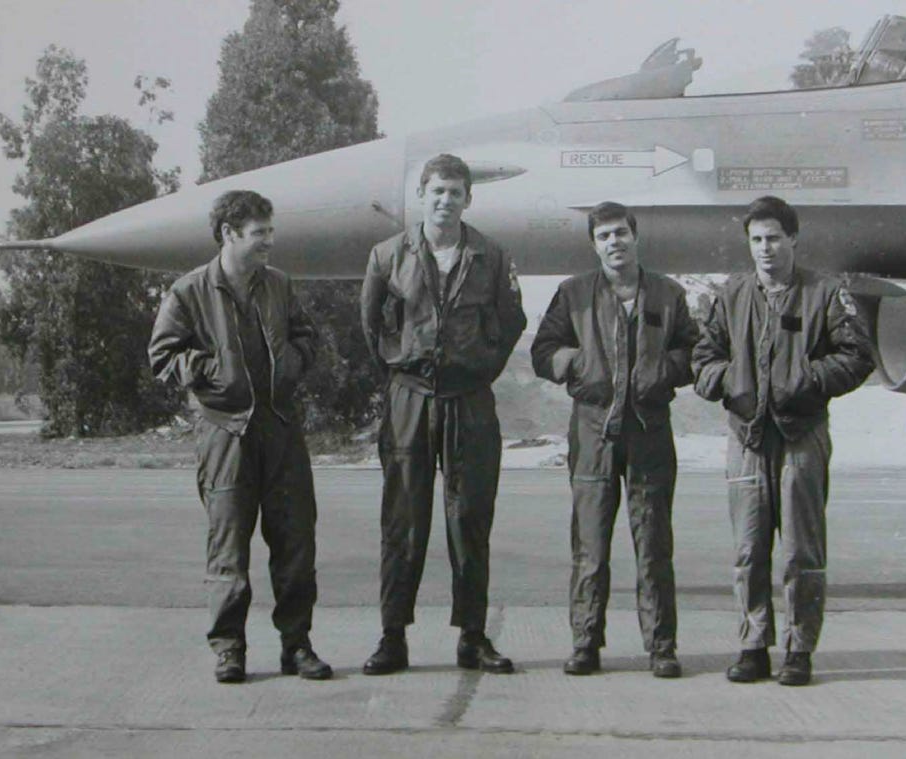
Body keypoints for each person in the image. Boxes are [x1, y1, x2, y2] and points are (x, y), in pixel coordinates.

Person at [148, 190, 331, 684]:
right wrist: (214, 370)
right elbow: (162, 356)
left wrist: (292, 365)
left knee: (296, 546)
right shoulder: (188, 292)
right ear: (229, 234)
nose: (269, 242)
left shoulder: (280, 285)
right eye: (260, 233)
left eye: (271, 232)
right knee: (228, 551)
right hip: (224, 434)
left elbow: (306, 337)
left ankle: (297, 646)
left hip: (281, 430)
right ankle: (229, 650)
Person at [692, 195, 874, 686]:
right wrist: (730, 382)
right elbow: (702, 358)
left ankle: (799, 648)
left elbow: (857, 355)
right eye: (756, 240)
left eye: (774, 237)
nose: (766, 248)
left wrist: (806, 380)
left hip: (802, 434)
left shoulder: (825, 292)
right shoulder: (730, 295)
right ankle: (753, 644)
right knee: (749, 548)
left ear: (793, 238)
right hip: (747, 436)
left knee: (800, 550)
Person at [359, 153, 526, 675]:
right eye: (437, 191)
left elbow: (511, 321)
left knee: (470, 519)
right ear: (422, 196)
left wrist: (478, 369)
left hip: (469, 402)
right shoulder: (388, 256)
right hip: (409, 399)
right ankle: (392, 637)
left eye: (455, 192)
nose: (446, 200)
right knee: (403, 521)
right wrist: (400, 369)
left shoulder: (492, 256)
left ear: (468, 198)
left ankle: (472, 637)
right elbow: (371, 325)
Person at [531, 201, 699, 678]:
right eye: (604, 236)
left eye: (621, 233)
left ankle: (661, 647)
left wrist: (662, 371)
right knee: (590, 546)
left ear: (635, 236)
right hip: (592, 435)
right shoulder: (574, 294)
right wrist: (579, 366)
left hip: (649, 434)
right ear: (594, 244)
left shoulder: (668, 295)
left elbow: (693, 348)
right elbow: (543, 350)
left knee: (653, 546)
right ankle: (586, 643)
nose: (614, 242)